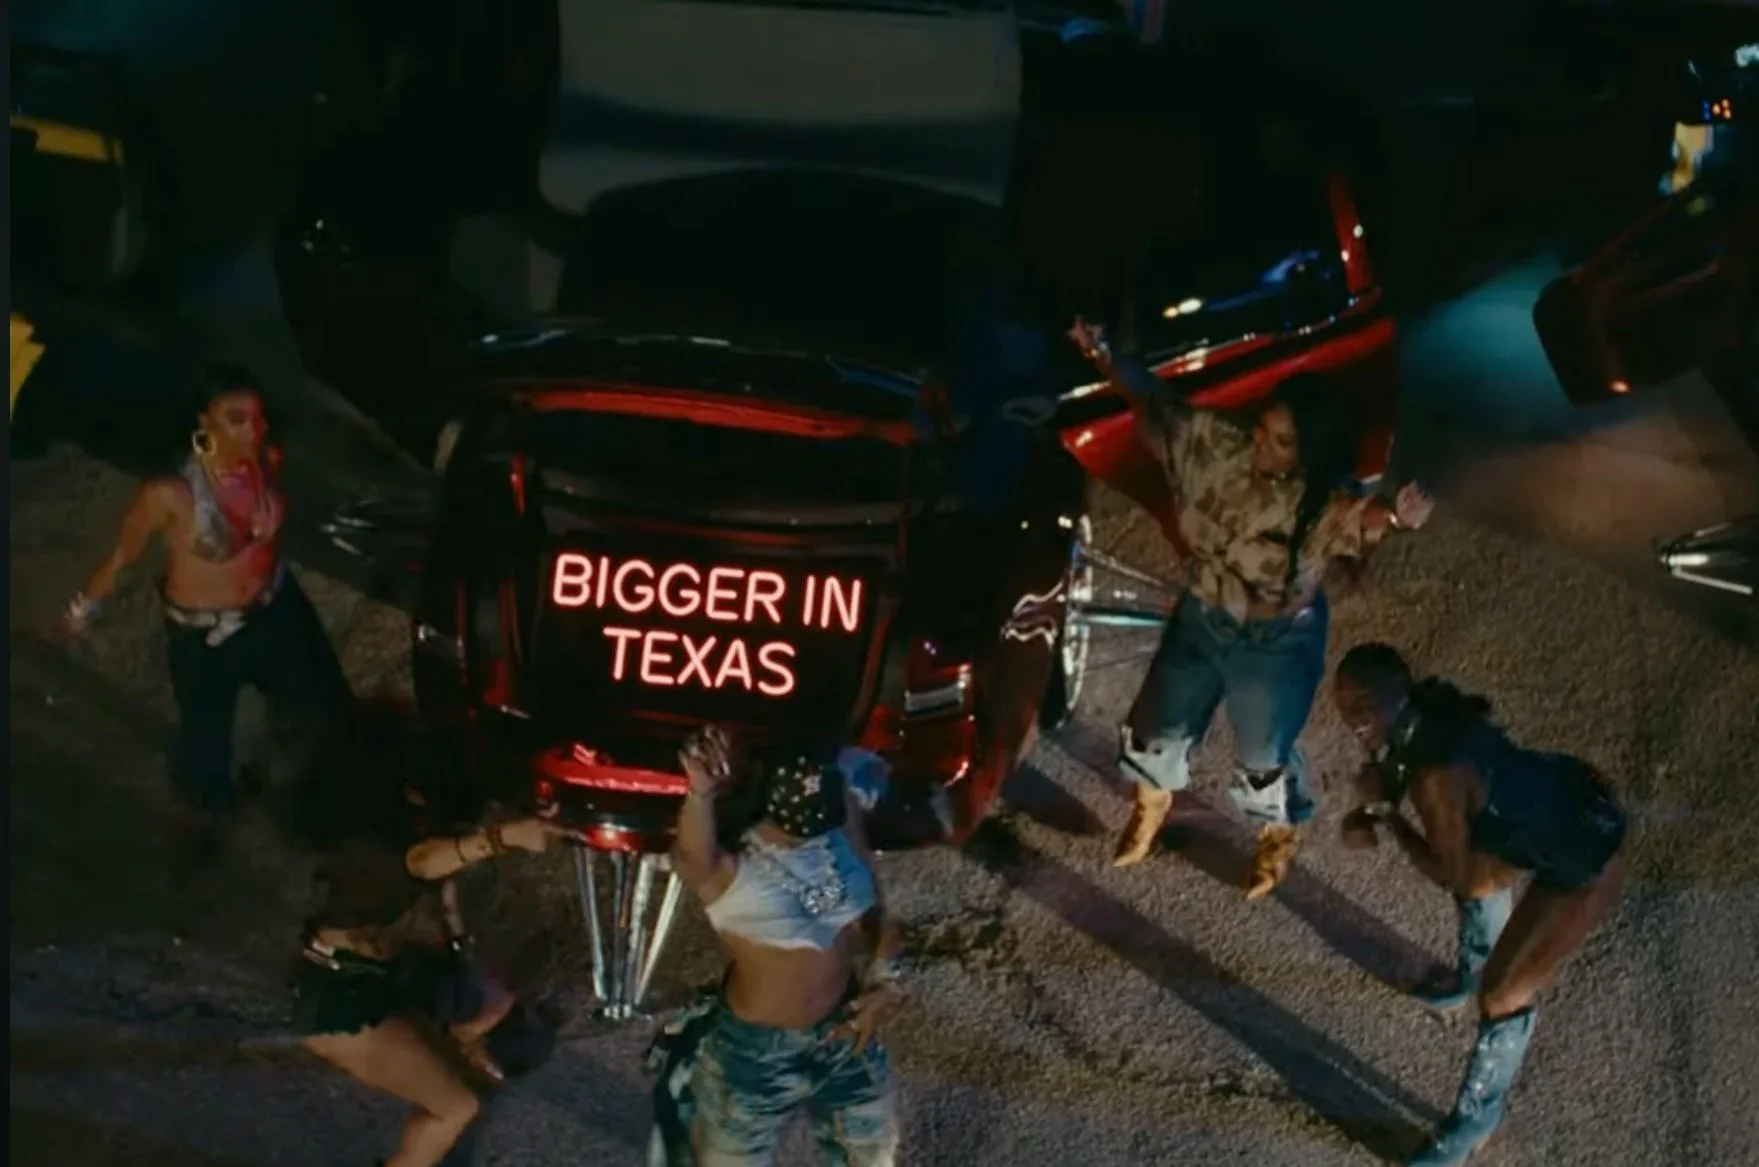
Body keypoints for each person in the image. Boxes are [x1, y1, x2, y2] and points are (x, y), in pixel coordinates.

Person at [1065, 315, 1434, 894]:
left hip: (1272, 645)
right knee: (1153, 729)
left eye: (1283, 441)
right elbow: (1154, 401)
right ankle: (1153, 805)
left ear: (1308, 448)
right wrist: (1104, 354)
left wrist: (1395, 516)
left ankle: (1277, 832)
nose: (1264, 444)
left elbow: (1362, 519)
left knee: (1264, 759)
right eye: (1264, 429)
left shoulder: (1318, 502)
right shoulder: (1218, 447)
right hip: (1203, 614)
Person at [1332, 643, 1629, 1166]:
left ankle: (1474, 1120)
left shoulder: (1437, 778)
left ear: (1394, 693)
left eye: (1361, 704)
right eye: (1344, 705)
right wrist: (1374, 806)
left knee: (1501, 993)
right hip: (1563, 797)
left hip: (1585, 857)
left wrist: (1388, 816)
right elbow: (1400, 772)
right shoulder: (1425, 710)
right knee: (1482, 875)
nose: (1351, 716)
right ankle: (1464, 979)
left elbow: (1459, 879)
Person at [61, 365, 352, 868]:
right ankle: (202, 820)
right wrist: (87, 607)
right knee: (205, 737)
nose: (251, 431)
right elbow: (124, 555)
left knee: (319, 702)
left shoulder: (268, 461)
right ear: (206, 423)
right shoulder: (170, 495)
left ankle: (323, 796)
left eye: (257, 419)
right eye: (235, 419)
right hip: (205, 636)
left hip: (276, 607)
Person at [291, 707, 567, 1167]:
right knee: (455, 1107)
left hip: (369, 980)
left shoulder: (379, 823)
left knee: (463, 1089)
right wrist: (506, 838)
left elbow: (437, 873)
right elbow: (423, 862)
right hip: (341, 1004)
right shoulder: (380, 846)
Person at [649, 726, 905, 1167]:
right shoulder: (729, 873)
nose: (812, 836)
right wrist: (701, 794)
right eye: (797, 826)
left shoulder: (833, 829)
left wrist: (886, 984)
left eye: (819, 819)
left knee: (873, 1156)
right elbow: (693, 858)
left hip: (843, 1037)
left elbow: (882, 922)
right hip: (752, 1060)